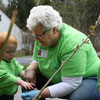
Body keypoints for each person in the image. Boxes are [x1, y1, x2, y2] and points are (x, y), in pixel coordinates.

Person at [21, 5, 100, 100]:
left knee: (80, 97)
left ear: (54, 30)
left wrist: (40, 94)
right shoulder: (42, 35)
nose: (36, 39)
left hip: (85, 79)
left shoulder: (73, 44)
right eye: (34, 35)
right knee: (27, 84)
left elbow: (71, 83)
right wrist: (31, 69)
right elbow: (37, 59)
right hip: (59, 78)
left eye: (38, 35)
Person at [0, 32, 35, 100]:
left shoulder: (12, 60)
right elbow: (7, 76)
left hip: (9, 93)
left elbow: (18, 70)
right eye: (8, 52)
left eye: (13, 51)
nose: (12, 54)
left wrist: (26, 76)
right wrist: (21, 82)